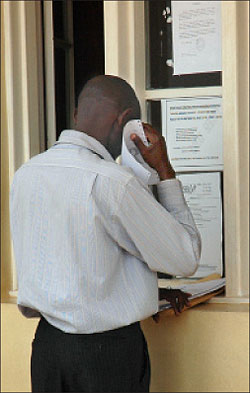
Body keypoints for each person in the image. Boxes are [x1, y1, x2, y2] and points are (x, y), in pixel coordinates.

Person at [10, 75, 201, 392]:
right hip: (106, 357)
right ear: (125, 121)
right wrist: (164, 170)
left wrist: (142, 291)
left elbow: (71, 263)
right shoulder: (114, 181)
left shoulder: (27, 174)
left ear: (76, 115)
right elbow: (185, 257)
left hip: (47, 349)